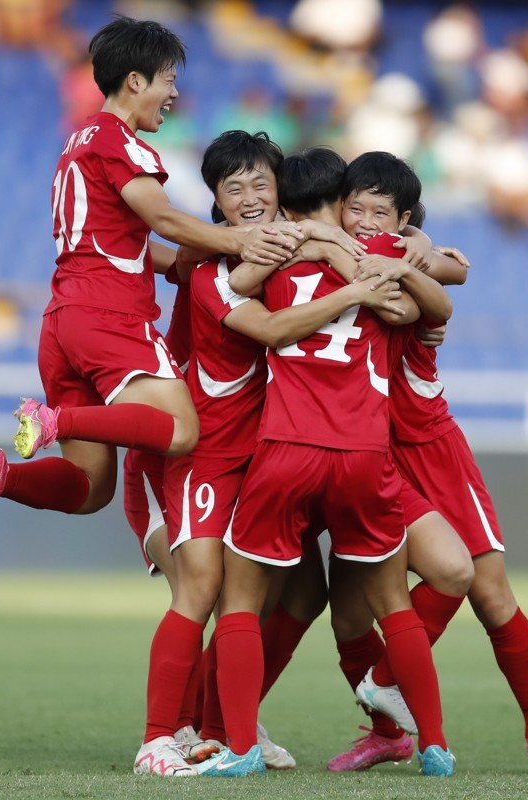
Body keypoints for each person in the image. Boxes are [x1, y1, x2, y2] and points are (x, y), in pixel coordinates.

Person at [0, 15, 303, 528]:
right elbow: (163, 216)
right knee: (180, 429)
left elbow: (126, 244)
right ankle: (51, 420)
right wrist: (238, 238)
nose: (174, 93)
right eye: (169, 79)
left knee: (89, 489)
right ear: (137, 81)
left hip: (63, 324)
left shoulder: (77, 145)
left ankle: (3, 476)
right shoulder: (122, 141)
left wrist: (186, 261)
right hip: (108, 316)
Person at [136, 130, 401, 777]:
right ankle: (160, 738)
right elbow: (275, 327)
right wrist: (355, 281)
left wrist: (404, 252)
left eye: (263, 184)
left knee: (302, 595)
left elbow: (394, 260)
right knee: (203, 588)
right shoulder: (210, 268)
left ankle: (227, 725)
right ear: (218, 205)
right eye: (236, 188)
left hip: (269, 457)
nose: (252, 197)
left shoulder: (295, 246)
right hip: (206, 453)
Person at [203, 146, 456, 778]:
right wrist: (354, 252)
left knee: (239, 600)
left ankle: (236, 748)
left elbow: (235, 291)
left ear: (283, 202)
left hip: (287, 449)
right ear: (344, 201)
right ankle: (434, 745)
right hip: (366, 457)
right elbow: (426, 307)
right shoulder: (380, 262)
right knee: (393, 602)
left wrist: (306, 242)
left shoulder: (273, 261)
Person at [324, 151, 528, 778]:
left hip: (428, 447)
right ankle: (386, 731)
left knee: (489, 595)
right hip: (360, 452)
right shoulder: (331, 258)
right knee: (350, 611)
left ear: (402, 218)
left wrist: (415, 254)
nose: (363, 219)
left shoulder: (403, 257)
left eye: (379, 210)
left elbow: (446, 276)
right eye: (355, 206)